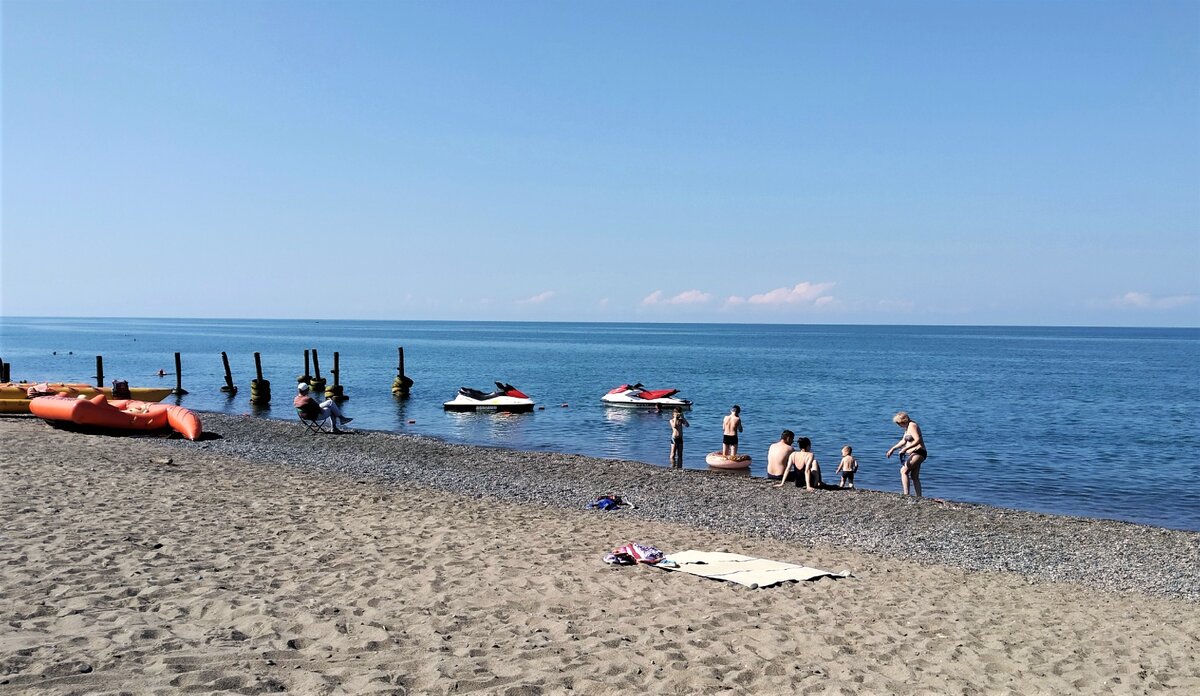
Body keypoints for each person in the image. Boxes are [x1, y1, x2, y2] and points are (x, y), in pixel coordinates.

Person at [886, 411, 926, 497]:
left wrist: (905, 449)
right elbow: (904, 440)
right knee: (914, 476)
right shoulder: (907, 427)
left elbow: (917, 440)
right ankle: (919, 496)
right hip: (914, 453)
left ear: (903, 421)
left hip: (919, 452)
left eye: (899, 423)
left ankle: (906, 494)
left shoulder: (912, 425)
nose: (898, 425)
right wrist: (893, 449)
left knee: (903, 471)